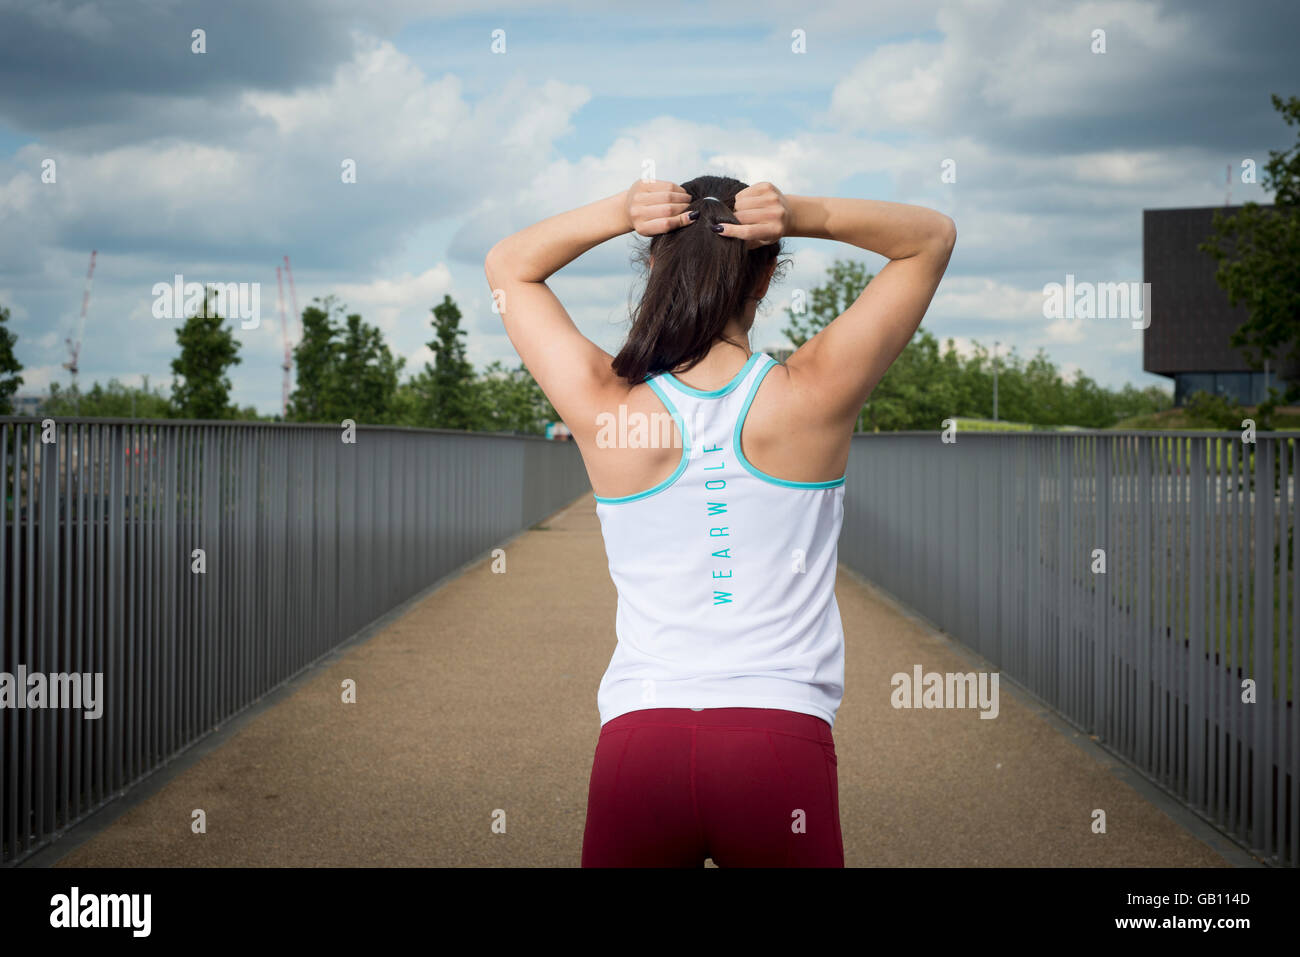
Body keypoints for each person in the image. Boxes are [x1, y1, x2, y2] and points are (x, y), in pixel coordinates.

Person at [485, 175, 955, 866]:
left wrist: (621, 212)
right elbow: (929, 239)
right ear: (764, 278)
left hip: (639, 746)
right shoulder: (812, 393)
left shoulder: (606, 405)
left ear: (654, 267)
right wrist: (802, 213)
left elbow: (509, 267)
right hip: (778, 745)